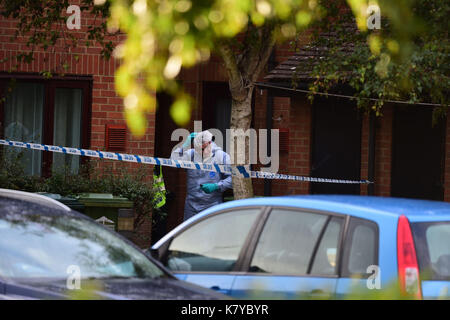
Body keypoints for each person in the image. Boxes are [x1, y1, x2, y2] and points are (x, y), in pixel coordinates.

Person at [172, 130, 232, 221]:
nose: (200, 152)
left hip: (213, 205)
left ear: (209, 142)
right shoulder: (191, 155)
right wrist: (184, 145)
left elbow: (233, 179)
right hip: (191, 206)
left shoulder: (222, 157)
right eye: (198, 149)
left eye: (203, 149)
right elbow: (172, 163)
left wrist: (217, 186)